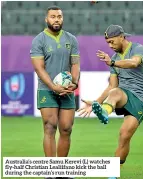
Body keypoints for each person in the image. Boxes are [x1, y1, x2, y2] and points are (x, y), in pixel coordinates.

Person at [78, 24, 143, 179]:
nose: (110, 45)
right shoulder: (115, 58)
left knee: (124, 135)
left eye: (112, 41)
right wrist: (95, 102)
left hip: (140, 98)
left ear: (122, 37)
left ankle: (116, 167)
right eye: (108, 43)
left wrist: (112, 63)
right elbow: (112, 85)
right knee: (115, 91)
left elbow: (134, 63)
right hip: (122, 95)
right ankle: (104, 111)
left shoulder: (137, 48)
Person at [30, 6, 80, 179]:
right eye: (53, 16)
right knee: (50, 127)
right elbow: (39, 68)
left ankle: (62, 171)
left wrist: (73, 83)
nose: (57, 19)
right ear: (46, 19)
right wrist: (53, 86)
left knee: (66, 128)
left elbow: (75, 64)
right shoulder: (39, 40)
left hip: (66, 90)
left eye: (59, 16)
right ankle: (50, 171)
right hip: (47, 89)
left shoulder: (71, 39)